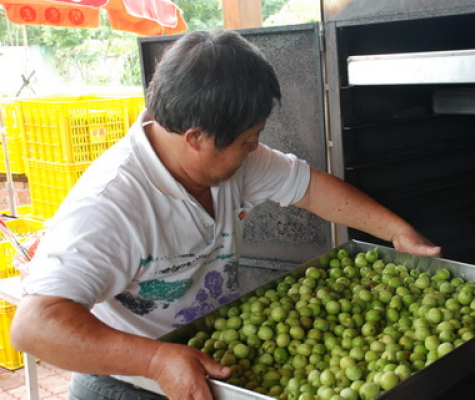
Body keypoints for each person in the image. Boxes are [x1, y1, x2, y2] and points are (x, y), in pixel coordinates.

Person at [11, 30, 441, 400]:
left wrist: (397, 232)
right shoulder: (109, 205)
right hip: (125, 385)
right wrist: (158, 359)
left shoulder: (230, 160)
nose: (255, 149)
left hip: (209, 361)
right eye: (248, 141)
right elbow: (34, 326)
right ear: (197, 138)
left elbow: (308, 188)